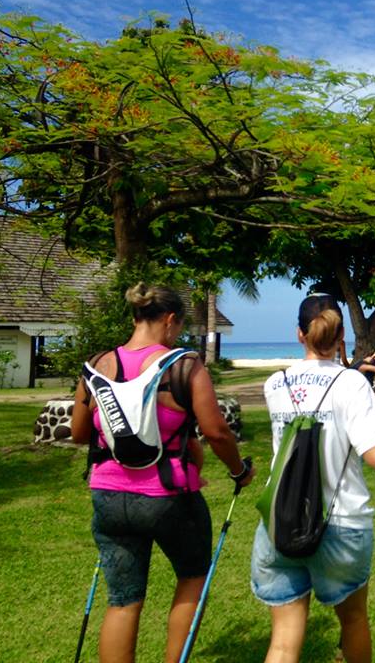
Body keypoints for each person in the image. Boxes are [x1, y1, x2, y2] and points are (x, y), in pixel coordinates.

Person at [71, 282, 255, 663]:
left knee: (123, 601)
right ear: (171, 320)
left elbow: (78, 433)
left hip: (108, 496)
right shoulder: (184, 366)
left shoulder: (97, 365)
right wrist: (238, 471)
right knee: (191, 578)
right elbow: (217, 432)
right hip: (169, 497)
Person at [251, 292, 375, 663]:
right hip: (341, 524)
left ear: (300, 334)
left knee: (282, 640)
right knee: (354, 620)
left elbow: (314, 394)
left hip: (280, 522)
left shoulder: (274, 385)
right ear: (341, 334)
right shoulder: (351, 385)